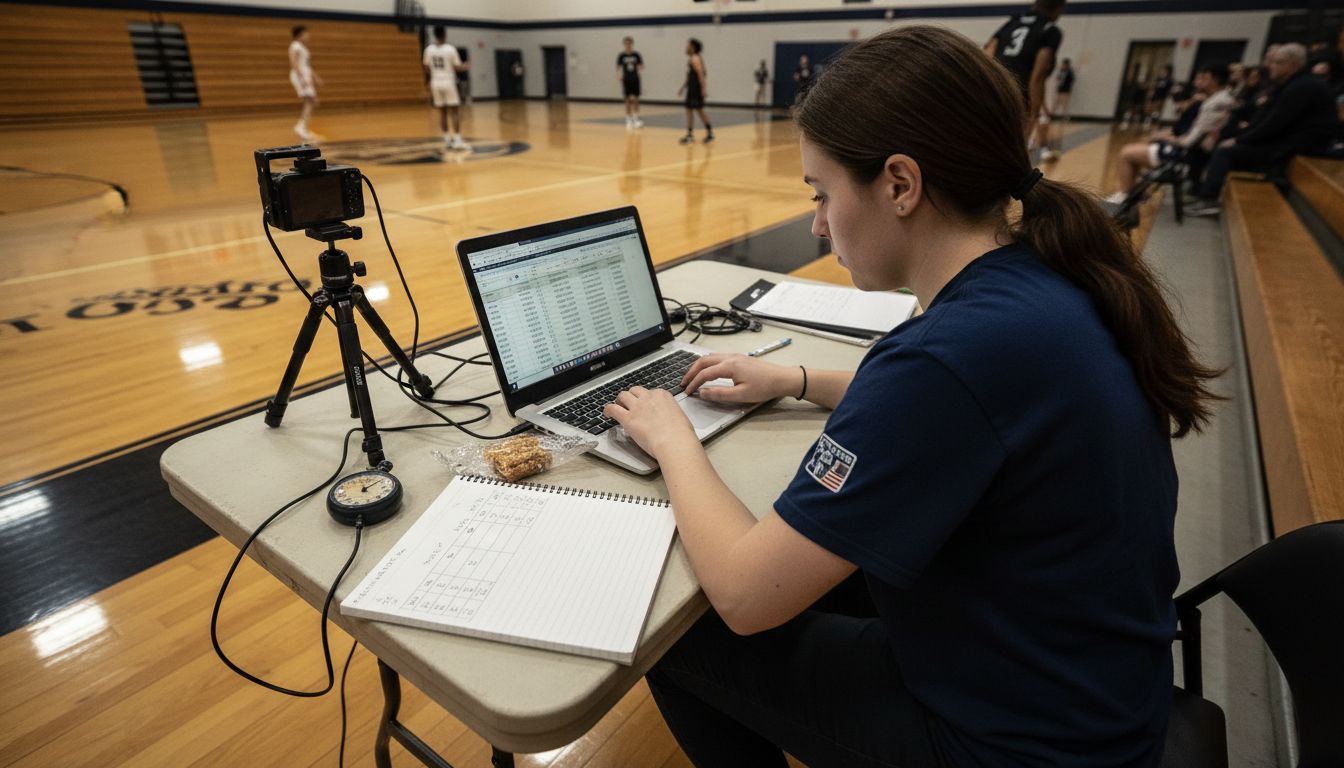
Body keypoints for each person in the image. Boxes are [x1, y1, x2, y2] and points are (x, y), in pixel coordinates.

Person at [605, 24, 1219, 768]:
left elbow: (742, 593)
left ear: (900, 184)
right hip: (1097, 688)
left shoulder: (944, 358)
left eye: (823, 193)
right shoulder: (1044, 277)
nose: (818, 223)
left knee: (678, 633)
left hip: (1021, 744)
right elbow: (964, 406)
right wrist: (793, 379)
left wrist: (671, 436)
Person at [1189, 43, 1338, 216]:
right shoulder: (1291, 85)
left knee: (1225, 151)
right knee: (1222, 141)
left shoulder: (1302, 87)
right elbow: (1262, 118)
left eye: (1276, 62)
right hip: (1286, 141)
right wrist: (1239, 135)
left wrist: (1240, 140)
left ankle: (1208, 200)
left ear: (1290, 64)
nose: (1270, 66)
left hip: (1299, 146)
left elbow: (1274, 123)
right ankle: (1203, 190)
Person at [1107, 64, 1235, 201]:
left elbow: (1189, 141)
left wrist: (1168, 138)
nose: (1200, 81)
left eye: (1204, 78)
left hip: (1186, 156)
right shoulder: (1216, 99)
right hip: (1194, 152)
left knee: (1126, 154)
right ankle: (1132, 193)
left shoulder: (1216, 103)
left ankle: (1124, 195)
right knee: (1137, 146)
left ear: (1215, 80)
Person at [985, 0, 1066, 162]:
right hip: (1020, 92)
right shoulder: (1050, 30)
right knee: (1016, 149)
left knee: (989, 140)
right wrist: (1035, 109)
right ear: (1059, 9)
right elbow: (1039, 73)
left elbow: (987, 53)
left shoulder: (1012, 23)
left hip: (995, 87)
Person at [422, 26, 469, 150]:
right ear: (444, 34)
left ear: (435, 35)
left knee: (442, 112)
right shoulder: (450, 49)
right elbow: (457, 67)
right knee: (454, 111)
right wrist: (465, 66)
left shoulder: (429, 49)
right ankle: (457, 140)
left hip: (435, 82)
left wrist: (428, 80)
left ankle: (447, 139)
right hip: (448, 81)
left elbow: (426, 67)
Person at [289, 26, 321, 142]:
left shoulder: (303, 48)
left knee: (311, 101)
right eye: (306, 34)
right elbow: (294, 62)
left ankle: (302, 127)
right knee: (311, 100)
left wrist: (315, 77)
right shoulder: (295, 46)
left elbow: (307, 65)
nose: (308, 36)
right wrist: (302, 78)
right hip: (300, 76)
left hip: (305, 75)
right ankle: (301, 127)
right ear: (300, 34)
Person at [678, 38, 713, 144]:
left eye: (688, 45)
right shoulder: (691, 59)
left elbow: (701, 74)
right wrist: (683, 87)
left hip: (696, 89)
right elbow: (689, 77)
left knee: (699, 111)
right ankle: (690, 135)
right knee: (689, 111)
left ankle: (709, 134)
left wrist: (703, 89)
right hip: (691, 89)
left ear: (692, 48)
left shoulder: (695, 59)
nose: (686, 47)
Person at [617, 36, 644, 129]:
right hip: (626, 79)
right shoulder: (621, 56)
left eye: (629, 43)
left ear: (632, 44)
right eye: (626, 43)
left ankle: (636, 118)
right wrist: (619, 76)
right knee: (627, 99)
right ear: (624, 45)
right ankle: (628, 119)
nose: (628, 45)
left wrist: (639, 67)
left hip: (635, 79)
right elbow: (618, 67)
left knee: (636, 99)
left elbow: (641, 65)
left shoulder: (636, 55)